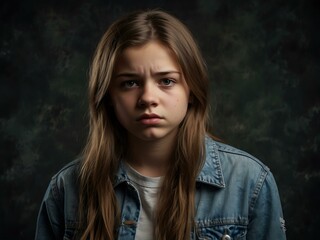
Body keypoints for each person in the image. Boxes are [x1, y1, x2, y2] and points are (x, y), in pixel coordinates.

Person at [35, 10, 286, 240]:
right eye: (130, 83)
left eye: (166, 81)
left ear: (191, 90)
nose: (148, 98)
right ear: (108, 96)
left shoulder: (249, 182)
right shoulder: (67, 189)